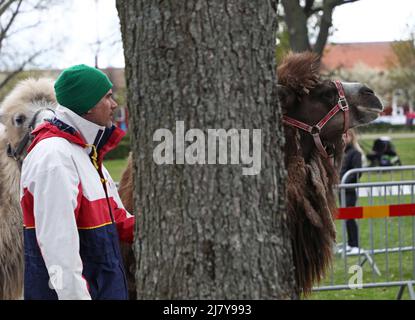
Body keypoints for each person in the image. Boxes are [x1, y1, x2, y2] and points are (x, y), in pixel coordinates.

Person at [20, 65, 134, 300]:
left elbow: (116, 217)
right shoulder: (55, 158)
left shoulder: (84, 152)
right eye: (108, 97)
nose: (114, 105)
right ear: (88, 105)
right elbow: (59, 251)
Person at [339, 129, 363, 255]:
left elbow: (357, 173)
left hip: (349, 191)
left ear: (351, 137)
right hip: (340, 190)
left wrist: (344, 183)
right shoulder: (342, 152)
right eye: (342, 136)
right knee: (346, 217)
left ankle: (355, 245)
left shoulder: (355, 153)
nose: (343, 138)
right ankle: (350, 243)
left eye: (346, 136)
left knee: (350, 217)